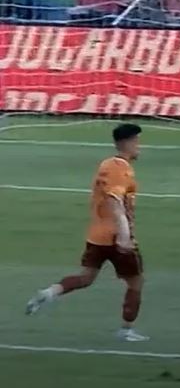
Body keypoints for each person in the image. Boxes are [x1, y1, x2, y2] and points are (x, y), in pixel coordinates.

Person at [25, 123, 149, 342]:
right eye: (137, 141)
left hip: (97, 236)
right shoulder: (121, 169)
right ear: (127, 143)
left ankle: (49, 293)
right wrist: (123, 234)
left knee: (86, 277)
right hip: (116, 237)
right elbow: (114, 201)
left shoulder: (107, 164)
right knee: (136, 282)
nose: (140, 146)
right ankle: (126, 330)